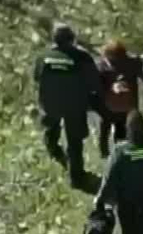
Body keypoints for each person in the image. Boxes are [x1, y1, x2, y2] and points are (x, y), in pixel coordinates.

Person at [33, 23, 101, 189]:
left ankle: (53, 150)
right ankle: (76, 178)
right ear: (72, 39)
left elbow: (36, 78)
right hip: (74, 106)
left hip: (50, 104)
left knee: (52, 126)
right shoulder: (82, 57)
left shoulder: (43, 57)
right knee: (74, 142)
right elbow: (94, 83)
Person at [95, 39, 143, 158]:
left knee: (104, 130)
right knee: (121, 131)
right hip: (128, 106)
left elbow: (96, 86)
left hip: (108, 107)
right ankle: (121, 156)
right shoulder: (133, 63)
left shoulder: (102, 66)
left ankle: (105, 154)